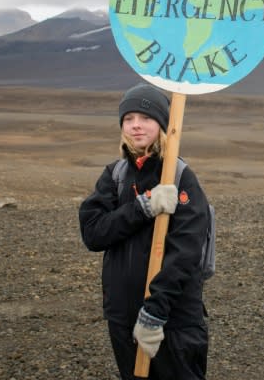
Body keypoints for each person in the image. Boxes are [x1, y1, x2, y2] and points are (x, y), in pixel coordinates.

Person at [79, 83, 210, 380]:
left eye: (146, 118)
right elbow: (93, 233)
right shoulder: (115, 175)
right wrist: (143, 207)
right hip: (123, 319)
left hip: (172, 321)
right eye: (129, 119)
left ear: (163, 124)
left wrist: (155, 311)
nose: (136, 125)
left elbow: (186, 253)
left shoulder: (179, 176)